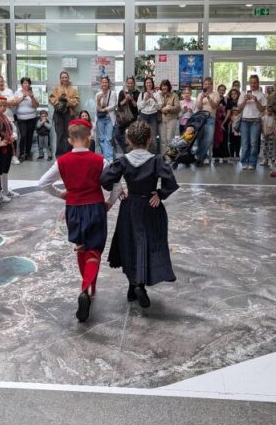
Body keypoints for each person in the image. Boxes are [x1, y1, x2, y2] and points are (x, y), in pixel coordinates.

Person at [37, 118, 119, 322]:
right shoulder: (100, 160)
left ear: (69, 139)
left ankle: (89, 289)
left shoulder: (62, 161)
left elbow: (43, 183)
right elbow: (116, 184)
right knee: (94, 251)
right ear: (90, 138)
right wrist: (109, 203)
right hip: (95, 208)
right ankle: (86, 289)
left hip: (73, 209)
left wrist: (62, 195)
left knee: (82, 247)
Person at [101, 120, 179, 307]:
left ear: (128, 140)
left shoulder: (123, 161)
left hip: (130, 206)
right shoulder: (157, 161)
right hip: (151, 206)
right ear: (149, 139)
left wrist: (118, 188)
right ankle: (138, 286)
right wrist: (160, 194)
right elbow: (170, 182)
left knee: (131, 245)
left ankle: (134, 286)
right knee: (148, 245)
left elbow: (105, 178)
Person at [0, 96, 19, 201]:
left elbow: (13, 129)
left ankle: (5, 191)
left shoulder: (6, 117)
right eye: (0, 106)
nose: (3, 108)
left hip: (7, 146)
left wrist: (13, 136)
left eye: (4, 106)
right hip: (0, 149)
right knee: (0, 170)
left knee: (5, 169)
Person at [239, 75, 267, 171]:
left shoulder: (261, 95)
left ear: (258, 83)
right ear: (249, 83)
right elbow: (239, 108)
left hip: (256, 121)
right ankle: (244, 162)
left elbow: (262, 109)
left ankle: (252, 162)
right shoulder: (243, 93)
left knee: (254, 143)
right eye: (251, 83)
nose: (253, 84)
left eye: (255, 82)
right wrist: (245, 100)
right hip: (244, 121)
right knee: (245, 143)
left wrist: (256, 100)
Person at [49, 71, 79, 157]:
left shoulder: (73, 89)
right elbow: (51, 99)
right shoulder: (56, 89)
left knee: (69, 133)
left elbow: (76, 101)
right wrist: (59, 99)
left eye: (66, 77)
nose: (64, 79)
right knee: (60, 134)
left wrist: (67, 100)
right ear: (60, 79)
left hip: (69, 113)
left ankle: (69, 154)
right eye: (63, 77)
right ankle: (59, 155)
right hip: (58, 113)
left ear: (68, 79)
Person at [195, 77, 220, 165]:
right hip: (201, 118)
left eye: (209, 84)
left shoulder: (216, 94)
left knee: (209, 139)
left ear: (212, 85)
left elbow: (214, 106)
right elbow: (199, 107)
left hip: (210, 118)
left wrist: (208, 97)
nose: (207, 85)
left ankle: (198, 155)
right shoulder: (200, 94)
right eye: (205, 84)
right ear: (203, 85)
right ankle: (203, 157)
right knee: (200, 138)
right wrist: (201, 98)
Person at [14, 77, 39, 161]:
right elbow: (15, 103)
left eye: (28, 83)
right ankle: (21, 154)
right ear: (21, 84)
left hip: (32, 118)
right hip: (21, 118)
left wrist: (32, 97)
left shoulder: (33, 93)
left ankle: (27, 153)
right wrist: (23, 97)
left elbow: (36, 105)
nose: (26, 84)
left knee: (29, 136)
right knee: (23, 135)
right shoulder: (17, 93)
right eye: (25, 83)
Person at [115, 77, 139, 154]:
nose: (130, 85)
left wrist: (131, 99)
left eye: (132, 83)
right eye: (128, 83)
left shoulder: (137, 93)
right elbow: (119, 105)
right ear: (126, 83)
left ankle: (131, 153)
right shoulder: (122, 92)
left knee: (131, 137)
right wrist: (126, 99)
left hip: (133, 119)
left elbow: (137, 106)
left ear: (134, 84)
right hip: (123, 118)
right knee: (117, 135)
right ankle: (127, 151)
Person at [136, 77, 161, 154]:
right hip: (143, 116)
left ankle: (154, 156)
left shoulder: (157, 93)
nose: (148, 84)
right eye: (147, 83)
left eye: (150, 82)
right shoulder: (142, 94)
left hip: (153, 116)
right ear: (145, 84)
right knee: (143, 136)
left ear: (152, 84)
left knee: (153, 138)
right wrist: (145, 100)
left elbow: (159, 107)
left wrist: (154, 98)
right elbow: (139, 107)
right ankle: (144, 155)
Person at [95, 76, 117, 161]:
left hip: (109, 118)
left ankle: (109, 159)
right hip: (100, 119)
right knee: (101, 139)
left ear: (108, 84)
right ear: (100, 84)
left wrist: (104, 109)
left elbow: (113, 105)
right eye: (103, 82)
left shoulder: (113, 93)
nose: (104, 84)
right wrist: (98, 101)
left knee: (108, 139)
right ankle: (105, 158)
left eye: (106, 82)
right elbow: (98, 108)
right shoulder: (98, 94)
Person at [158, 80, 179, 156]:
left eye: (165, 85)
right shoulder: (159, 95)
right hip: (162, 120)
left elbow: (177, 108)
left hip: (171, 120)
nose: (164, 87)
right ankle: (163, 157)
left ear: (168, 86)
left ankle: (169, 158)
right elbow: (156, 106)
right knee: (163, 140)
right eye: (162, 86)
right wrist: (161, 109)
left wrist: (169, 108)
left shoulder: (174, 95)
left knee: (170, 139)